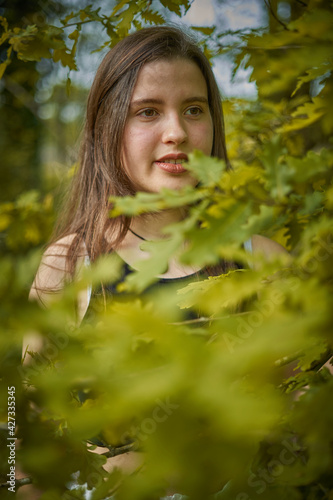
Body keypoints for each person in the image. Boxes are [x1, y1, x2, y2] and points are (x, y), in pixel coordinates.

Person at [26, 24, 287, 496]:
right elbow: (19, 423)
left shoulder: (264, 263)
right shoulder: (70, 267)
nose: (177, 133)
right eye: (148, 111)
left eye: (194, 109)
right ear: (109, 127)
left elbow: (308, 408)